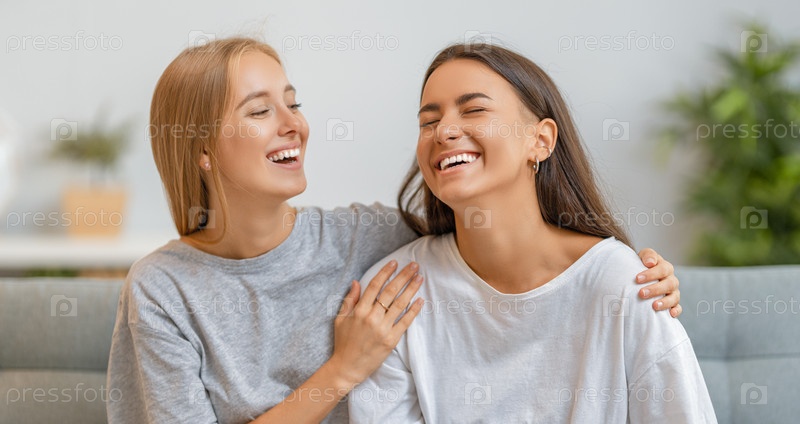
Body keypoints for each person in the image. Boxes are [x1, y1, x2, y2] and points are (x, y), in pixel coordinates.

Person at [106, 37, 684, 424]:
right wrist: (341, 371)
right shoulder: (162, 289)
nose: (295, 126)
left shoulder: (371, 241)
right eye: (260, 112)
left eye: (293, 104)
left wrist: (633, 274)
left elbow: (494, 241)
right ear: (201, 150)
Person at [348, 43, 715, 422]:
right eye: (429, 122)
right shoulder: (395, 294)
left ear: (540, 141)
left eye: (473, 110)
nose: (444, 131)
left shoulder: (625, 284)